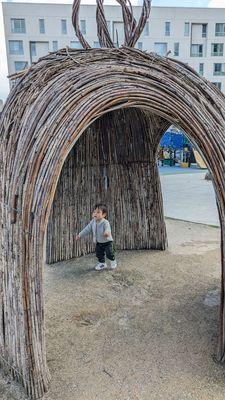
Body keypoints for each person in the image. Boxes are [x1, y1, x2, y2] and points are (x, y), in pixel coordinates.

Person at [75, 204, 117, 271]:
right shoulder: (93, 222)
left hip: (107, 242)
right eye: (94, 212)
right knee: (99, 254)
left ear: (103, 215)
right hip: (99, 242)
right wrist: (80, 235)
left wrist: (107, 233)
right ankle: (102, 264)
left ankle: (113, 261)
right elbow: (87, 229)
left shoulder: (105, 222)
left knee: (109, 253)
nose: (95, 214)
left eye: (98, 212)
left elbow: (108, 229)